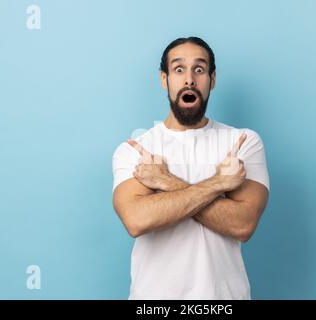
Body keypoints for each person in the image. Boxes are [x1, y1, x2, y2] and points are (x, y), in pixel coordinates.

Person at [112, 37, 270, 299]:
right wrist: (219, 184)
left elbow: (243, 225)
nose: (189, 80)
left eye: (199, 69)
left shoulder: (242, 142)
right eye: (178, 69)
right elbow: (137, 221)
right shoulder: (136, 150)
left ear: (212, 79)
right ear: (164, 80)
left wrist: (166, 182)